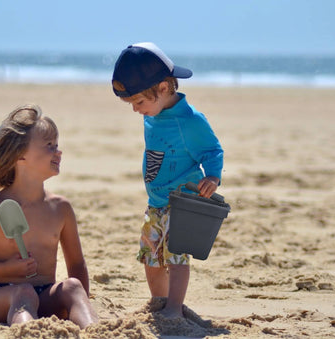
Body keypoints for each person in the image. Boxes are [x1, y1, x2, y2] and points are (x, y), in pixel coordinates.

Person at [0, 104, 98, 328]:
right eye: (49, 145)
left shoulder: (60, 208)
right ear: (20, 156)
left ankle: (95, 331)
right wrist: (6, 269)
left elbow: (77, 264)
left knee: (72, 287)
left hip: (45, 293)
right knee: (24, 292)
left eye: (57, 145)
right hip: (0, 295)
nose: (58, 151)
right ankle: (30, 332)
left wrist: (76, 302)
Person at [111, 43, 224, 318]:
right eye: (132, 104)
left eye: (139, 102)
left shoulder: (190, 120)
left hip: (182, 201)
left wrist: (212, 176)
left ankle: (174, 307)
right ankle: (159, 301)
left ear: (163, 88)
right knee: (150, 255)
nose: (136, 110)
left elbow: (212, 150)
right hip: (155, 202)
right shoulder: (154, 113)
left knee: (176, 257)